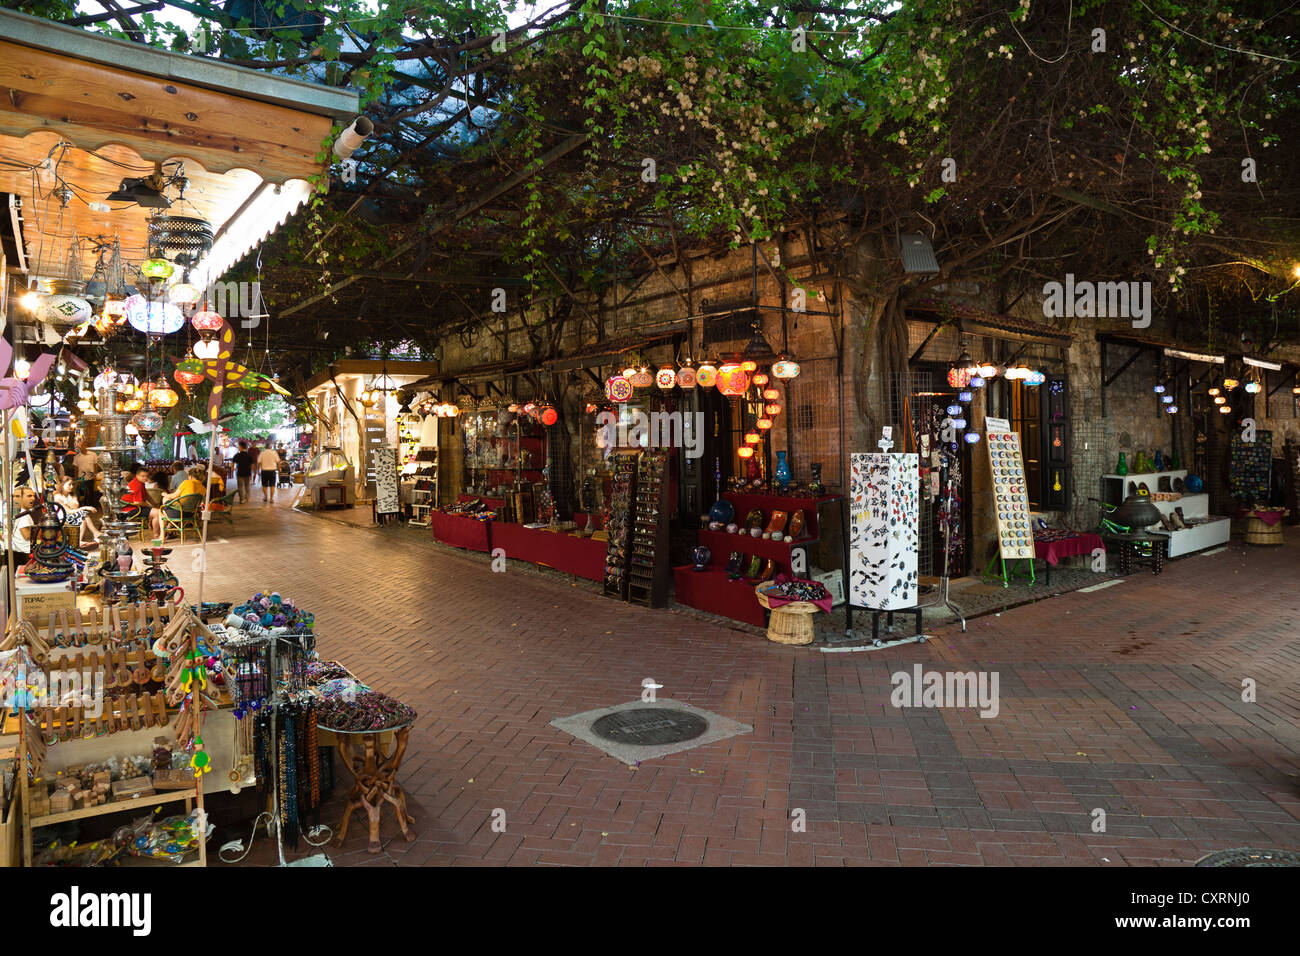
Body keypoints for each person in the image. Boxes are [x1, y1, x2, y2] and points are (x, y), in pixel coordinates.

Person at [150, 467, 206, 539]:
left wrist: (164, 494)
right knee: (168, 507)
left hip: (178, 512)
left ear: (190, 476)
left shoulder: (186, 482)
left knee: (161, 511)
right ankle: (169, 528)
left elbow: (173, 496)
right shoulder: (203, 488)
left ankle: (162, 535)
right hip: (191, 514)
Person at [54, 476, 101, 546]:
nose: (72, 486)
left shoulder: (72, 495)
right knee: (83, 514)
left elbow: (76, 505)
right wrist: (86, 507)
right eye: (69, 484)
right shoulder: (57, 496)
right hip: (62, 519)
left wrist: (69, 505)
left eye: (72, 484)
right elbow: (69, 511)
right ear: (62, 485)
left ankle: (79, 541)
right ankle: (95, 533)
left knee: (84, 518)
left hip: (72, 516)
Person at [3, 486, 37, 568]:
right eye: (29, 496)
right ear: (20, 498)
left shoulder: (17, 512)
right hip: (23, 555)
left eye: (33, 496)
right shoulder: (23, 515)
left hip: (15, 553)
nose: (33, 498)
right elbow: (27, 536)